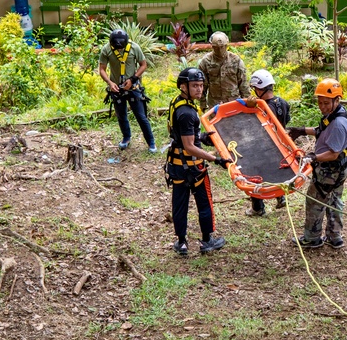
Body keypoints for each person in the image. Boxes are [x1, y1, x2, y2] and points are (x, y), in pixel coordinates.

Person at [164, 67, 229, 257]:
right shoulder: (187, 113)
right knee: (204, 202)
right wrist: (216, 159)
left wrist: (203, 137)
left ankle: (182, 242)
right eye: (195, 86)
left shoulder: (178, 103)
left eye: (201, 86)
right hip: (192, 167)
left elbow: (182, 134)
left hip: (177, 165)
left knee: (179, 202)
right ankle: (207, 240)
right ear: (183, 86)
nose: (199, 90)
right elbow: (190, 146)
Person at [286, 78, 347, 249]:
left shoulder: (338, 124)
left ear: (337, 100)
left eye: (326, 103)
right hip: (340, 168)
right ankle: (335, 236)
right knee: (334, 200)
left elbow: (333, 154)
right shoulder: (335, 114)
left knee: (315, 200)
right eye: (320, 102)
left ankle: (312, 237)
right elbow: (320, 131)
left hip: (331, 169)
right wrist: (301, 131)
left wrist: (314, 157)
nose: (322, 106)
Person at [98, 29, 157, 152]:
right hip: (116, 88)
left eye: (121, 47)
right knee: (121, 115)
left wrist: (133, 79)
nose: (119, 49)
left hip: (133, 87)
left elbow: (143, 64)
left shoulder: (134, 48)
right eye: (116, 47)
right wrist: (110, 83)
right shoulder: (106, 49)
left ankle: (151, 142)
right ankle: (126, 137)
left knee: (141, 116)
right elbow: (102, 69)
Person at [246, 68, 291, 217]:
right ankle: (280, 197)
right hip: (280, 145)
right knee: (276, 171)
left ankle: (257, 207)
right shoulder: (282, 103)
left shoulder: (261, 107)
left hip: (264, 146)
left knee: (254, 174)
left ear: (260, 89)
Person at [198, 31, 252, 110]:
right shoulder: (206, 62)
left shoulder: (236, 60)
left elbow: (243, 84)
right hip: (215, 105)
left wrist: (247, 103)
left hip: (234, 103)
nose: (219, 50)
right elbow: (202, 85)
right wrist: (203, 105)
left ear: (226, 46)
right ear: (212, 47)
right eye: (216, 47)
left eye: (222, 47)